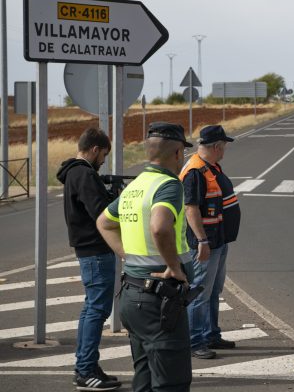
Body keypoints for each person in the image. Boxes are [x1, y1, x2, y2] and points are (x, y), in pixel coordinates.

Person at [96, 122, 195, 392]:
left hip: (133, 294)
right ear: (177, 153)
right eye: (183, 152)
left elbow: (104, 222)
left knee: (145, 377)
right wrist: (174, 267)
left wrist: (127, 255)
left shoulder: (135, 186)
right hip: (159, 300)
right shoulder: (168, 185)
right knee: (171, 381)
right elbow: (160, 227)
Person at [56, 127, 121, 391]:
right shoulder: (83, 174)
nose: (104, 160)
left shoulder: (74, 172)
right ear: (95, 149)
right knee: (96, 310)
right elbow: (101, 213)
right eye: (104, 154)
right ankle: (84, 370)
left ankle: (88, 366)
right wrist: (118, 199)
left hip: (90, 251)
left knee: (92, 309)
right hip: (95, 251)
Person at [179, 125, 241, 359]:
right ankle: (195, 342)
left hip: (218, 240)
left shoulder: (209, 167)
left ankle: (211, 334)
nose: (224, 151)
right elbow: (190, 208)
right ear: (216, 146)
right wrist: (202, 240)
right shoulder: (195, 171)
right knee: (199, 293)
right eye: (223, 146)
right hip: (205, 243)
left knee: (213, 291)